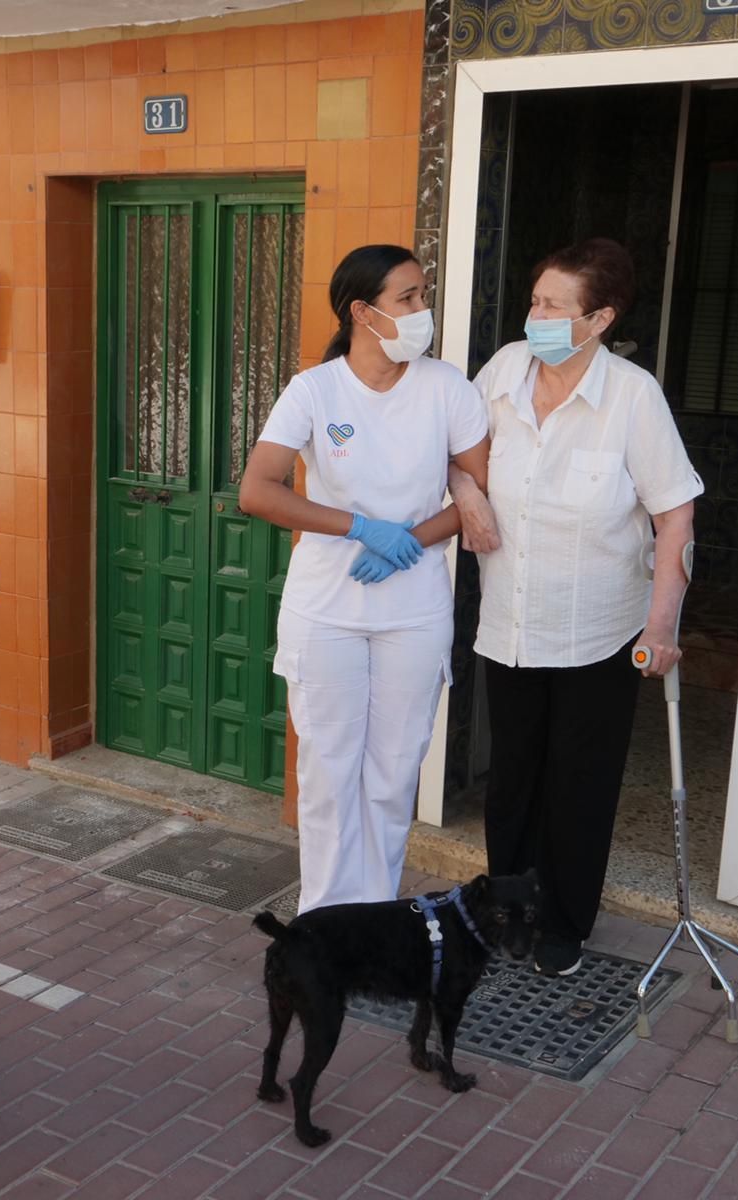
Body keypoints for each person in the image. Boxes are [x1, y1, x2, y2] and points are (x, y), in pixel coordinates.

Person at [450, 237, 702, 978]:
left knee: (578, 786)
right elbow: (457, 456)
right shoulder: (502, 371)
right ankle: (508, 911)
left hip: (599, 629)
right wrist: (469, 499)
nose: (537, 316)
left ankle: (563, 925)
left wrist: (661, 628)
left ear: (598, 319)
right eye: (536, 301)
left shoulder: (632, 395)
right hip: (512, 624)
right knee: (513, 780)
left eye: (554, 306)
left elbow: (675, 518)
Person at [240, 244, 490, 914]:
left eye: (422, 295)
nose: (422, 311)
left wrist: (412, 538)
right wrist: (357, 527)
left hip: (413, 606)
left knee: (391, 772)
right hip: (326, 607)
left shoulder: (446, 387)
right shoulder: (315, 390)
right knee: (328, 772)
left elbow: (486, 489)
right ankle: (324, 920)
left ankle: (375, 914)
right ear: (362, 311)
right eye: (407, 298)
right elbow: (258, 491)